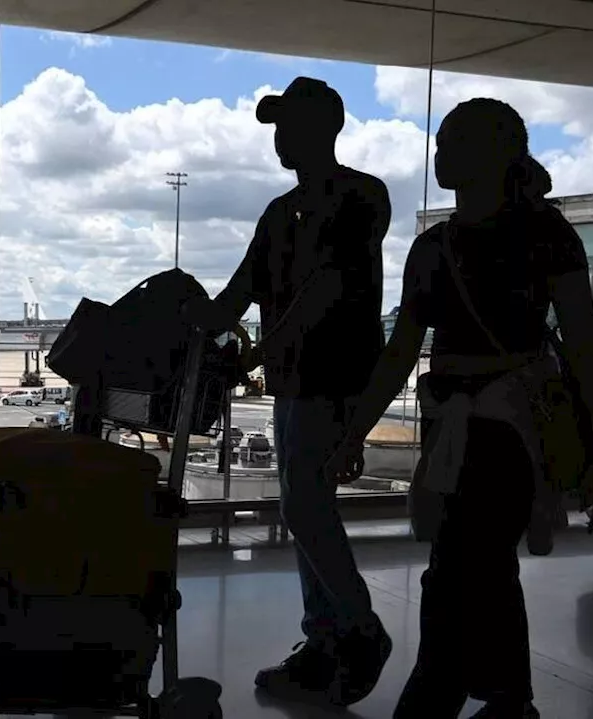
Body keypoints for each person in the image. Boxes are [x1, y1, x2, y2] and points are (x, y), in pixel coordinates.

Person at [324, 97, 593, 718]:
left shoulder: (436, 248)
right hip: (514, 427)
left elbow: (400, 353)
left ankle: (442, 697)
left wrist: (352, 432)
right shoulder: (546, 236)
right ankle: (506, 697)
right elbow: (585, 351)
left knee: (458, 567)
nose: (439, 154)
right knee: (481, 565)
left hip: (467, 430)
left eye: (452, 143)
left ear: (488, 155)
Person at [190, 76, 393, 707]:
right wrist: (188, 324)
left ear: (322, 129)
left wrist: (256, 345)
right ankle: (325, 637)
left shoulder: (359, 197)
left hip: (333, 379)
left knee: (305, 508)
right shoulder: (279, 212)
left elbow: (327, 289)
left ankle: (356, 628)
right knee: (304, 508)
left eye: (288, 126)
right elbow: (237, 295)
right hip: (294, 383)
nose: (278, 138)